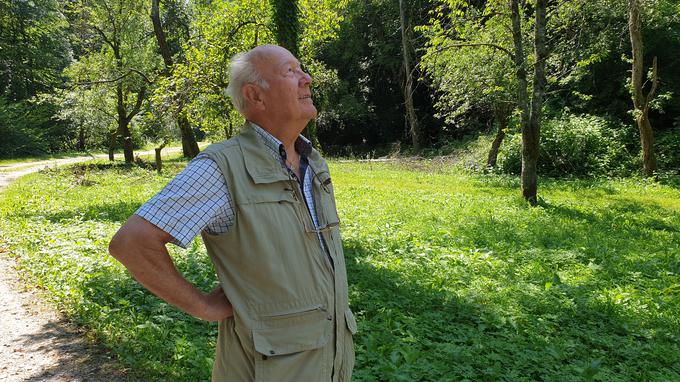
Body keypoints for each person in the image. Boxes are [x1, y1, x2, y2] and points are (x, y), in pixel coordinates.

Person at [108, 44, 356, 382]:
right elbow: (132, 243)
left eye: (302, 69)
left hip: (328, 361)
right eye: (290, 71)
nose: (307, 79)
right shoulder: (222, 167)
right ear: (255, 95)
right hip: (267, 368)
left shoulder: (313, 161)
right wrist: (203, 307)